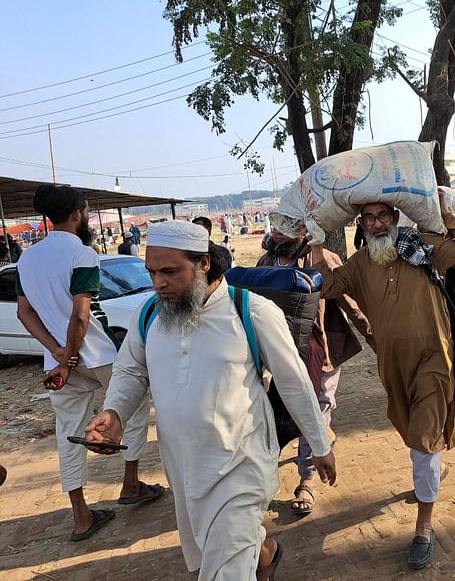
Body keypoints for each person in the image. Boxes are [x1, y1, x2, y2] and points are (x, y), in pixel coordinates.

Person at [83, 220, 335, 580]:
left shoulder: (251, 311)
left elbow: (294, 381)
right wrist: (115, 413)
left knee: (224, 569)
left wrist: (320, 443)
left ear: (203, 264)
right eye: (152, 272)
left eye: (170, 272)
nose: (159, 283)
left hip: (242, 464)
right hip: (184, 467)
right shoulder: (150, 314)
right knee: (215, 550)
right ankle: (265, 554)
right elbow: (131, 371)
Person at [312, 189, 455, 569]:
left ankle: (424, 526)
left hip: (435, 356)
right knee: (415, 434)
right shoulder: (359, 264)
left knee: (423, 438)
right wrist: (317, 243)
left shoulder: (422, 248)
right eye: (368, 218)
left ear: (394, 215)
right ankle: (434, 465)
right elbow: (325, 287)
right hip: (392, 364)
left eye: (382, 216)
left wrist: (441, 215)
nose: (375, 223)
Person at [16, 186, 159, 541]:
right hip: (98, 354)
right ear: (77, 214)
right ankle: (130, 484)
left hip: (59, 360)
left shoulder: (27, 259)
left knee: (69, 433)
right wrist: (70, 356)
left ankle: (82, 516)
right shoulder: (82, 253)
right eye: (87, 211)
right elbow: (81, 316)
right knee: (134, 407)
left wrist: (59, 355)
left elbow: (25, 313)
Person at [257, 229, 373, 515]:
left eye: (289, 228)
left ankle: (307, 479)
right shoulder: (265, 263)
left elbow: (350, 303)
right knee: (286, 412)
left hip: (323, 349)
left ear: (303, 231)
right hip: (282, 354)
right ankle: (319, 435)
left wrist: (374, 337)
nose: (280, 234)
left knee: (319, 407)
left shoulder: (323, 258)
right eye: (277, 227)